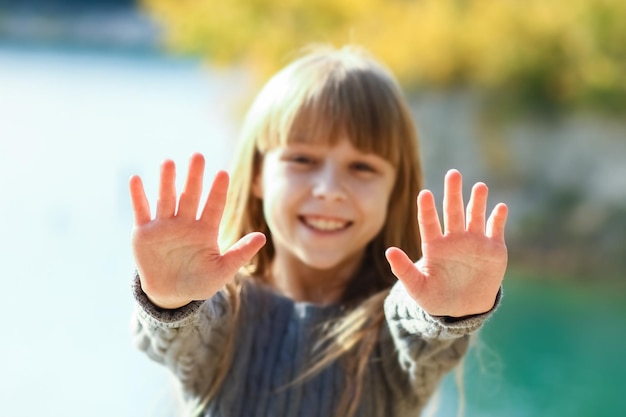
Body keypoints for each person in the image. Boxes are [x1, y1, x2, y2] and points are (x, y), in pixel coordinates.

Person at [129, 44, 508, 417]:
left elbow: (418, 330)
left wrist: (445, 313)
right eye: (302, 160)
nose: (328, 190)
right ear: (258, 174)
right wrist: (170, 300)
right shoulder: (221, 312)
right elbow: (181, 335)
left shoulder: (389, 337)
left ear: (394, 189)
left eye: (362, 167)